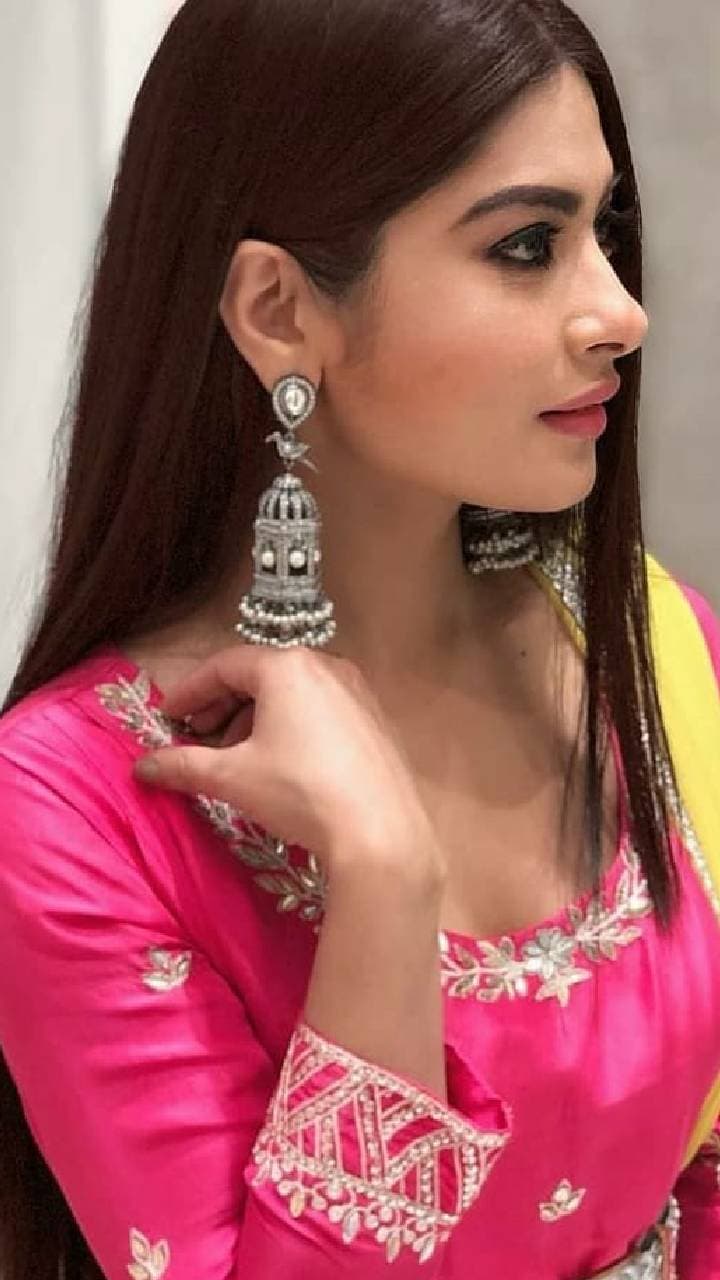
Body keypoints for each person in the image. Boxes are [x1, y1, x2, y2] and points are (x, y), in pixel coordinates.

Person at [0, 1, 718, 1277]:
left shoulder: (658, 649)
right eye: (528, 245)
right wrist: (384, 890)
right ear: (280, 309)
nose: (620, 311)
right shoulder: (72, 805)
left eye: (604, 231)